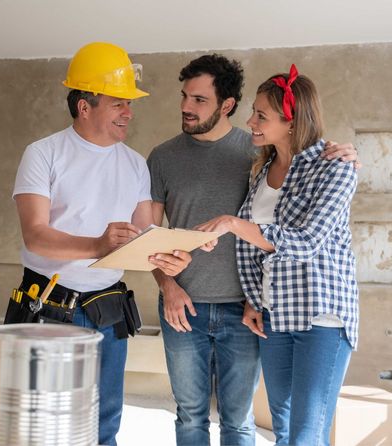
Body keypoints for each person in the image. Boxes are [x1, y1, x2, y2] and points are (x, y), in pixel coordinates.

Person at [147, 54, 358, 446]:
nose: (185, 107)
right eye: (184, 96)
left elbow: (305, 239)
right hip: (259, 314)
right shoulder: (259, 166)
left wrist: (231, 226)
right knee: (242, 423)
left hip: (311, 313)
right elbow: (154, 236)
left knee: (281, 429)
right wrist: (170, 284)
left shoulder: (289, 158)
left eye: (199, 99)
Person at [12, 42, 191, 446]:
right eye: (117, 103)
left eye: (129, 103)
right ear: (84, 107)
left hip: (107, 309)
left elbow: (146, 234)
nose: (128, 112)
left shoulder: (133, 164)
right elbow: (35, 234)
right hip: (50, 308)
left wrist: (171, 255)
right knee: (44, 427)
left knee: (104, 422)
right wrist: (97, 245)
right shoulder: (43, 154)